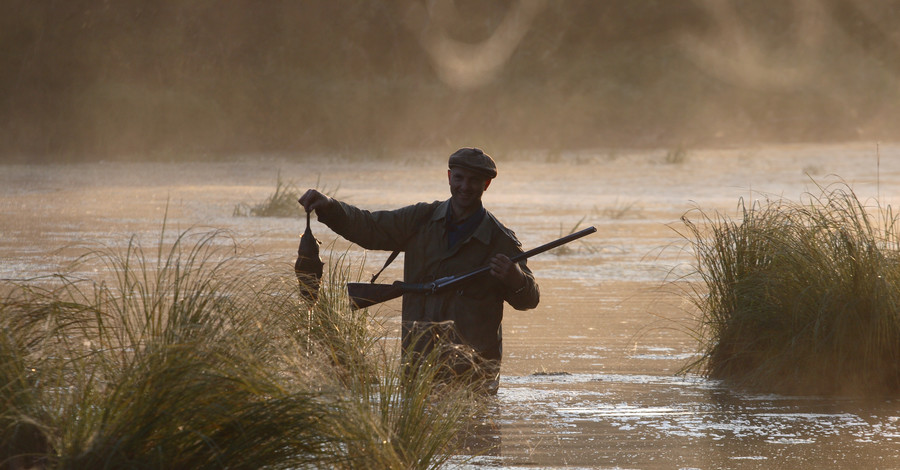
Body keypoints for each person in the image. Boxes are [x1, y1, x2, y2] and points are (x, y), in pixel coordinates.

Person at [298, 147, 540, 394]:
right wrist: (329, 206)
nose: (465, 186)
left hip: (474, 375)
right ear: (449, 177)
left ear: (486, 184)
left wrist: (516, 279)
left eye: (474, 180)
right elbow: (369, 228)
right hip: (419, 366)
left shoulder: (500, 240)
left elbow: (529, 299)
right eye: (459, 178)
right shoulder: (420, 219)